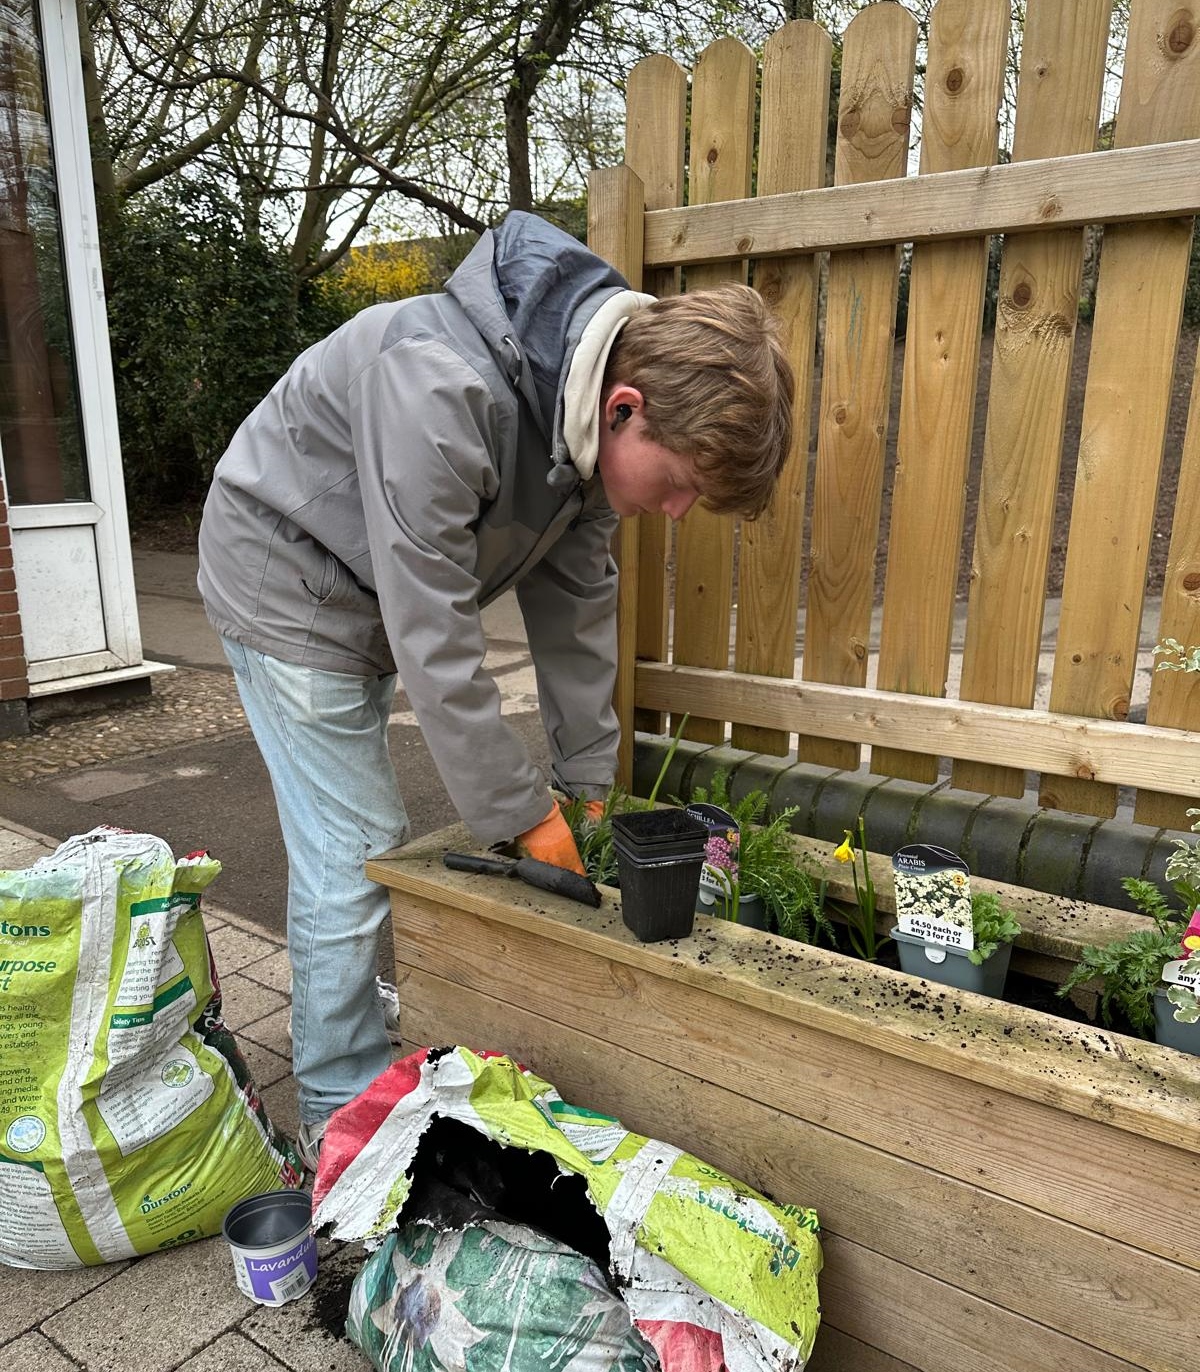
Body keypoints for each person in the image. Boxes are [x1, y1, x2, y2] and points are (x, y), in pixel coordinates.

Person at [197, 210, 794, 1169]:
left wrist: (587, 782)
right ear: (626, 406)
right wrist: (523, 815)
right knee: (355, 851)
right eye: (679, 483)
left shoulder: (582, 422)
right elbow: (435, 631)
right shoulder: (441, 384)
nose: (677, 511)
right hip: (285, 574)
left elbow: (575, 606)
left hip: (370, 580)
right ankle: (337, 1121)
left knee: (369, 850)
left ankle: (344, 1004)